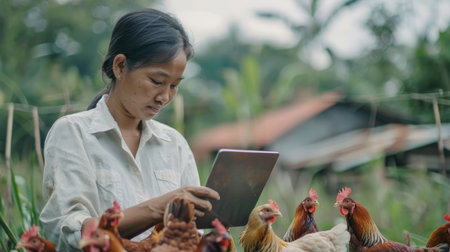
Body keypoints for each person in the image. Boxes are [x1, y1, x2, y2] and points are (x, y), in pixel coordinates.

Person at [40, 8, 219, 251]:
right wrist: (159, 207)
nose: (164, 97)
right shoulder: (73, 133)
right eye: (156, 81)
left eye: (174, 85)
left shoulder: (174, 144)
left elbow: (193, 235)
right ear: (120, 66)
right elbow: (66, 234)